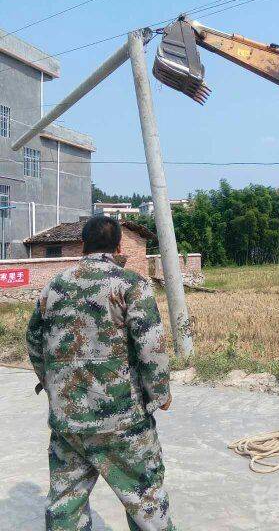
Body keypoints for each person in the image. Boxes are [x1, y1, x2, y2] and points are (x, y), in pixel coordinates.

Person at [26, 216, 174, 531]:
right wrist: (160, 393)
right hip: (122, 421)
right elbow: (151, 346)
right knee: (145, 499)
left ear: (83, 244)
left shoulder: (54, 286)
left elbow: (34, 341)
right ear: (119, 246)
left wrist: (52, 385)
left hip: (68, 422)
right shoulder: (130, 285)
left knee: (66, 502)